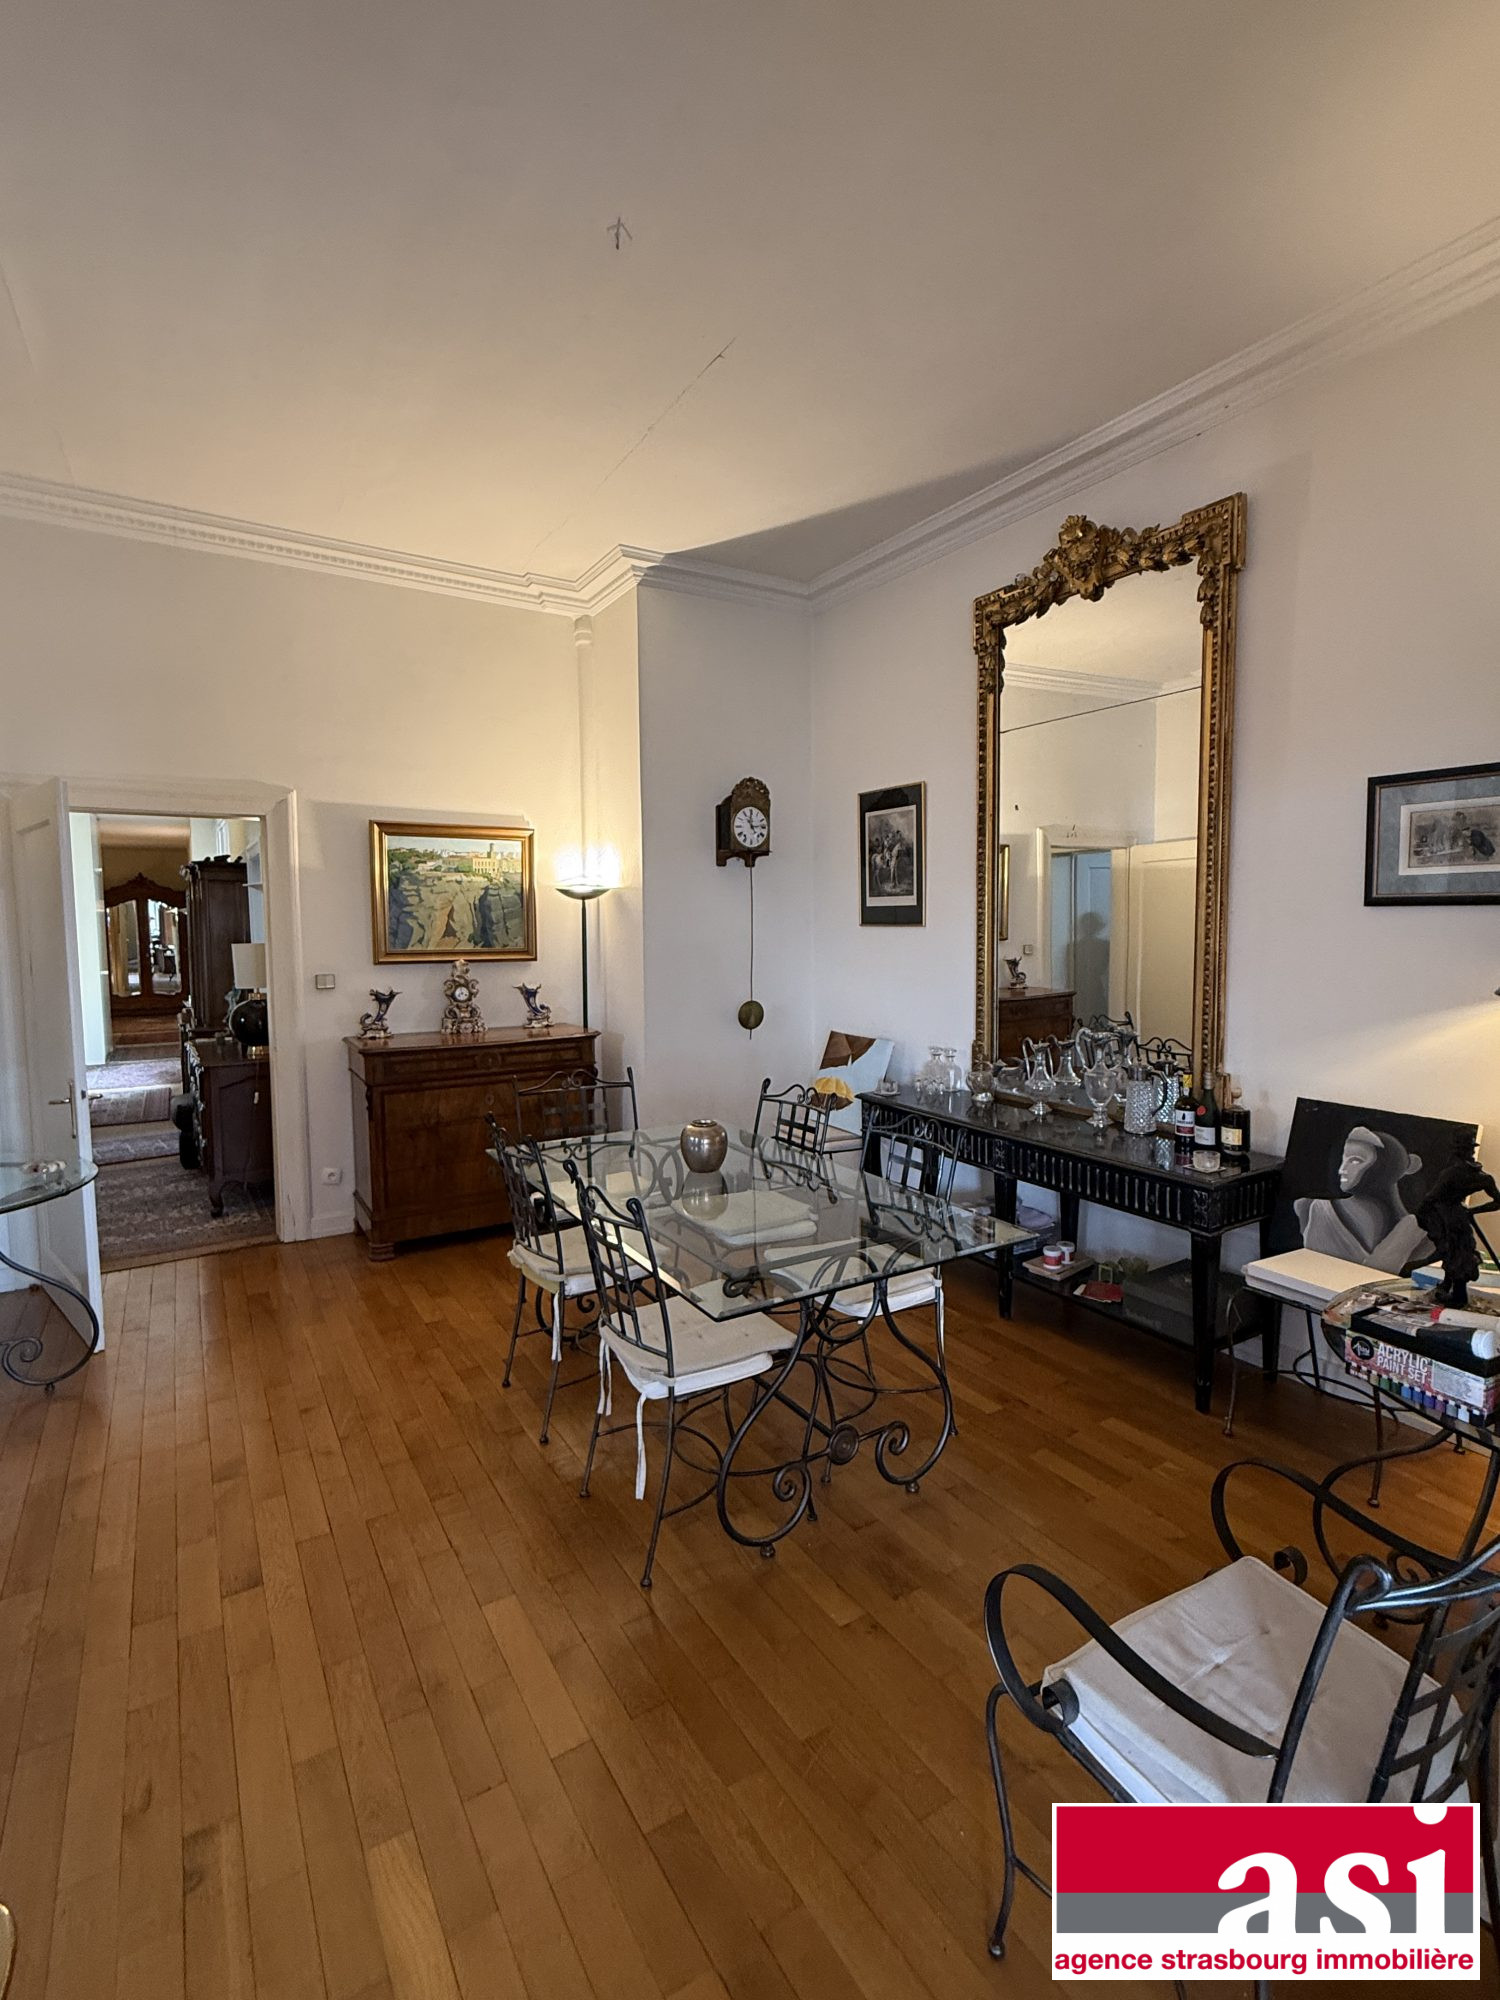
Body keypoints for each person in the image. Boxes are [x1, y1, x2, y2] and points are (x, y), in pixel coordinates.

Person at [1294, 1125, 1431, 1270]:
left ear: (1385, 1167)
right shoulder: (1311, 1208)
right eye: (1344, 1159)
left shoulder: (1419, 1232)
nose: (1341, 1170)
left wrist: (1407, 1232)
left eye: (1355, 1161)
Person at [1414, 1144, 1500, 1306]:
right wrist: (1472, 1211)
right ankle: (1447, 1285)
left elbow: (1431, 1198)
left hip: (1447, 1217)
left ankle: (1459, 1296)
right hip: (1455, 1217)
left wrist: (1424, 1215)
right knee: (1455, 1253)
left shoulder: (1453, 1174)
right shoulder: (1482, 1177)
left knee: (1456, 1254)